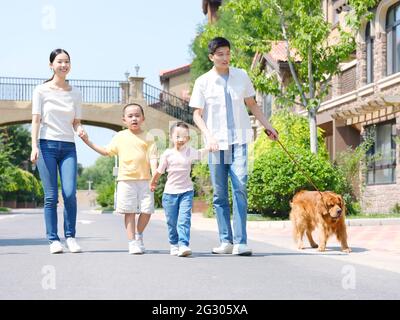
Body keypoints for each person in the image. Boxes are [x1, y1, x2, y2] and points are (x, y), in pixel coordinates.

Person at [189, 37, 279, 256]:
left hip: (239, 141)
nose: (225, 58)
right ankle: (225, 241)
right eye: (220, 54)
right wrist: (208, 136)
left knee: (240, 187)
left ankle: (240, 241)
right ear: (212, 57)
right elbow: (196, 115)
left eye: (228, 53)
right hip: (216, 144)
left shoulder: (241, 76)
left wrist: (269, 127)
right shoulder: (203, 81)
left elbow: (252, 105)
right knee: (220, 194)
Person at [31, 48, 87, 254]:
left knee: (70, 193)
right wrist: (33, 145)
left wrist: (80, 129)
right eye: (60, 62)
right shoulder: (41, 90)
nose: (64, 65)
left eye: (67, 62)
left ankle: (70, 237)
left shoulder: (76, 92)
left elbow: (76, 122)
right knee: (51, 196)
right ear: (51, 65)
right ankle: (53, 239)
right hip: (46, 146)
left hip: (68, 147)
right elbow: (36, 120)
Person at [81, 103, 158, 254]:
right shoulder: (120, 137)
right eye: (130, 116)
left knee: (147, 211)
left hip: (145, 180)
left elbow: (153, 157)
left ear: (143, 118)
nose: (134, 118)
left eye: (137, 115)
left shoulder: (149, 137)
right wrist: (87, 141)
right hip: (125, 181)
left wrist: (155, 176)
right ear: (124, 120)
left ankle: (139, 235)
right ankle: (132, 242)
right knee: (129, 211)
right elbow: (105, 151)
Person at [150, 122, 209, 257]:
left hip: (186, 191)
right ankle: (174, 244)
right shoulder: (167, 154)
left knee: (184, 219)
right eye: (177, 136)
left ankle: (183, 244)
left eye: (184, 136)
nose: (181, 139)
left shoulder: (189, 152)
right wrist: (153, 182)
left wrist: (209, 148)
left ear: (188, 139)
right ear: (171, 137)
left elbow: (200, 154)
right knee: (172, 221)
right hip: (170, 193)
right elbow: (159, 171)